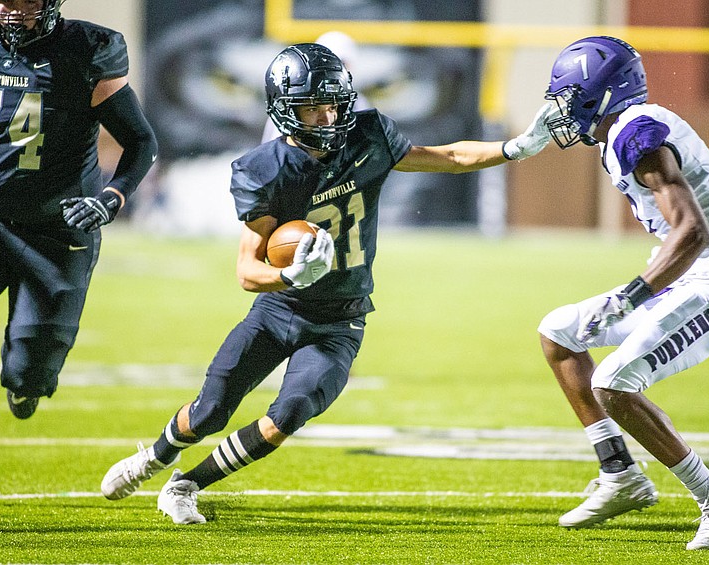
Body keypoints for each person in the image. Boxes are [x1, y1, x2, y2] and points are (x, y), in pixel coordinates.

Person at [100, 42, 557, 524]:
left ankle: (188, 484)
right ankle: (155, 456)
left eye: (331, 104)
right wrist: (289, 274)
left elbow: (444, 154)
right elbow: (247, 270)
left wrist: (513, 148)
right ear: (283, 109)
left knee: (290, 412)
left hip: (342, 318)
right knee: (211, 411)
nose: (325, 117)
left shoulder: (369, 135)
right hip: (280, 311)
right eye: (310, 108)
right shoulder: (264, 169)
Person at [536, 36, 709, 550]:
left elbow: (693, 231)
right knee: (559, 332)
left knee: (614, 383)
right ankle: (620, 473)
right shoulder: (624, 131)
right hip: (692, 281)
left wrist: (630, 295)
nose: (561, 108)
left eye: (568, 95)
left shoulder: (636, 131)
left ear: (598, 93)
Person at [0, 0, 157, 419]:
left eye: (26, 2)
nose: (13, 12)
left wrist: (110, 199)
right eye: (5, 1)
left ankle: (26, 382)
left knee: (29, 372)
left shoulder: (86, 49)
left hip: (57, 227)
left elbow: (140, 141)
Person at [261, 31, 370, 143]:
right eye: (313, 109)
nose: (332, 70)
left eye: (333, 108)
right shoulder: (291, 100)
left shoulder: (357, 102)